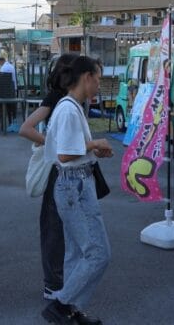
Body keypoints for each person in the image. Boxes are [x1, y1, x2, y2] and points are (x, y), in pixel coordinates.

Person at [42, 56, 112, 325]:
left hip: (72, 184)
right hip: (75, 185)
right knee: (98, 253)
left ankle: (70, 310)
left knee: (76, 253)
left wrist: (93, 148)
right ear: (87, 77)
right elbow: (66, 154)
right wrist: (95, 144)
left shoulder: (68, 106)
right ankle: (61, 305)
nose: (98, 85)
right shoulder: (71, 109)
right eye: (98, 78)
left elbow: (68, 152)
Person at [19, 53, 77, 302]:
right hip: (57, 171)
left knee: (62, 227)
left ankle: (59, 279)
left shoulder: (69, 98)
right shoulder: (57, 97)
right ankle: (53, 283)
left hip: (67, 171)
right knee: (54, 226)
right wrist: (54, 145)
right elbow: (26, 128)